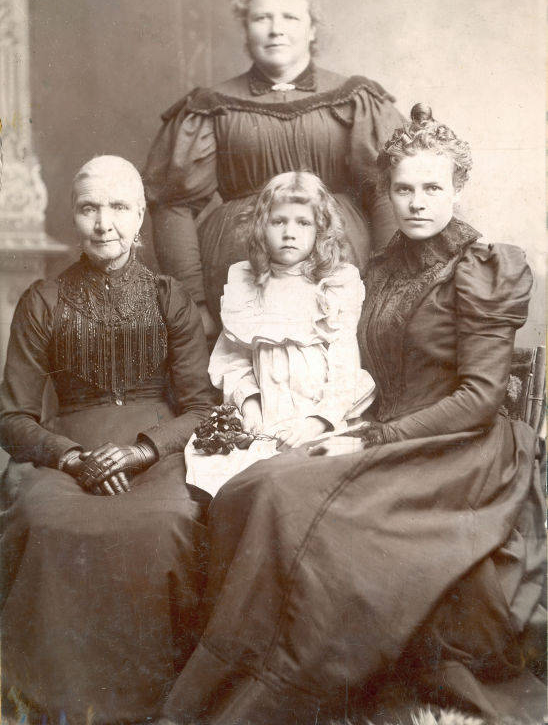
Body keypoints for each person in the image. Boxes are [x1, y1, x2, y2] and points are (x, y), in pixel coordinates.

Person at [158, 108, 545, 724]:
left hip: (461, 452)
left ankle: (277, 689)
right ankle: (228, 679)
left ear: (458, 188)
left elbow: (478, 400)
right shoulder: (383, 267)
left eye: (433, 187)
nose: (417, 202)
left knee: (283, 495)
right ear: (387, 191)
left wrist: (368, 439)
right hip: (379, 433)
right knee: (253, 484)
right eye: (404, 188)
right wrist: (331, 423)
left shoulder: (483, 267)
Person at [0, 156, 216, 725]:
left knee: (168, 522)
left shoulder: (171, 298)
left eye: (119, 207)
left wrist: (142, 450)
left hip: (159, 453)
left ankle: (157, 704)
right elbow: (12, 416)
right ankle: (56, 702)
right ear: (74, 216)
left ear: (141, 215)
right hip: (67, 453)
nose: (104, 224)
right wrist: (71, 458)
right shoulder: (43, 300)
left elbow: (200, 407)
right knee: (43, 520)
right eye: (89, 208)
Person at [143, 0, 403, 336]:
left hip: (341, 271)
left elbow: (387, 194)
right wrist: (194, 303)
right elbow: (174, 205)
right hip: (240, 280)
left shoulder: (355, 98)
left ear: (312, 28)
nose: (276, 29)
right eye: (262, 18)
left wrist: (385, 291)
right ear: (246, 29)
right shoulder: (211, 106)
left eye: (290, 17)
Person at [184, 172, 375, 496]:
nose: (289, 232)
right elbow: (233, 361)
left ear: (321, 229)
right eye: (278, 222)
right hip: (264, 419)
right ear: (262, 227)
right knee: (238, 484)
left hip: (319, 419)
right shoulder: (246, 282)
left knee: (310, 484)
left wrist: (316, 422)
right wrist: (250, 405)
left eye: (303, 223)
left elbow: (345, 367)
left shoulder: (335, 284)